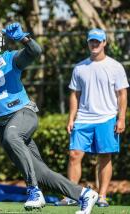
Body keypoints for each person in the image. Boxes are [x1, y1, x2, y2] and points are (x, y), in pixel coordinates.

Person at [0, 22, 98, 214]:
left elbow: (34, 51)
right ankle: (85, 195)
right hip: (0, 126)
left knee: (13, 137)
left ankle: (33, 191)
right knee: (41, 173)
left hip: (22, 113)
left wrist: (24, 38)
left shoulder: (8, 59)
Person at [55, 28, 128, 207]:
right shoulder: (79, 68)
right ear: (88, 43)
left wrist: (121, 118)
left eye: (97, 41)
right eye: (91, 41)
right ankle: (71, 196)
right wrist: (71, 118)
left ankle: (102, 196)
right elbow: (74, 95)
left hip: (107, 118)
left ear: (104, 43)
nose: (94, 44)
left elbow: (122, 94)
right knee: (74, 155)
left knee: (104, 156)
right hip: (83, 118)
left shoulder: (115, 66)